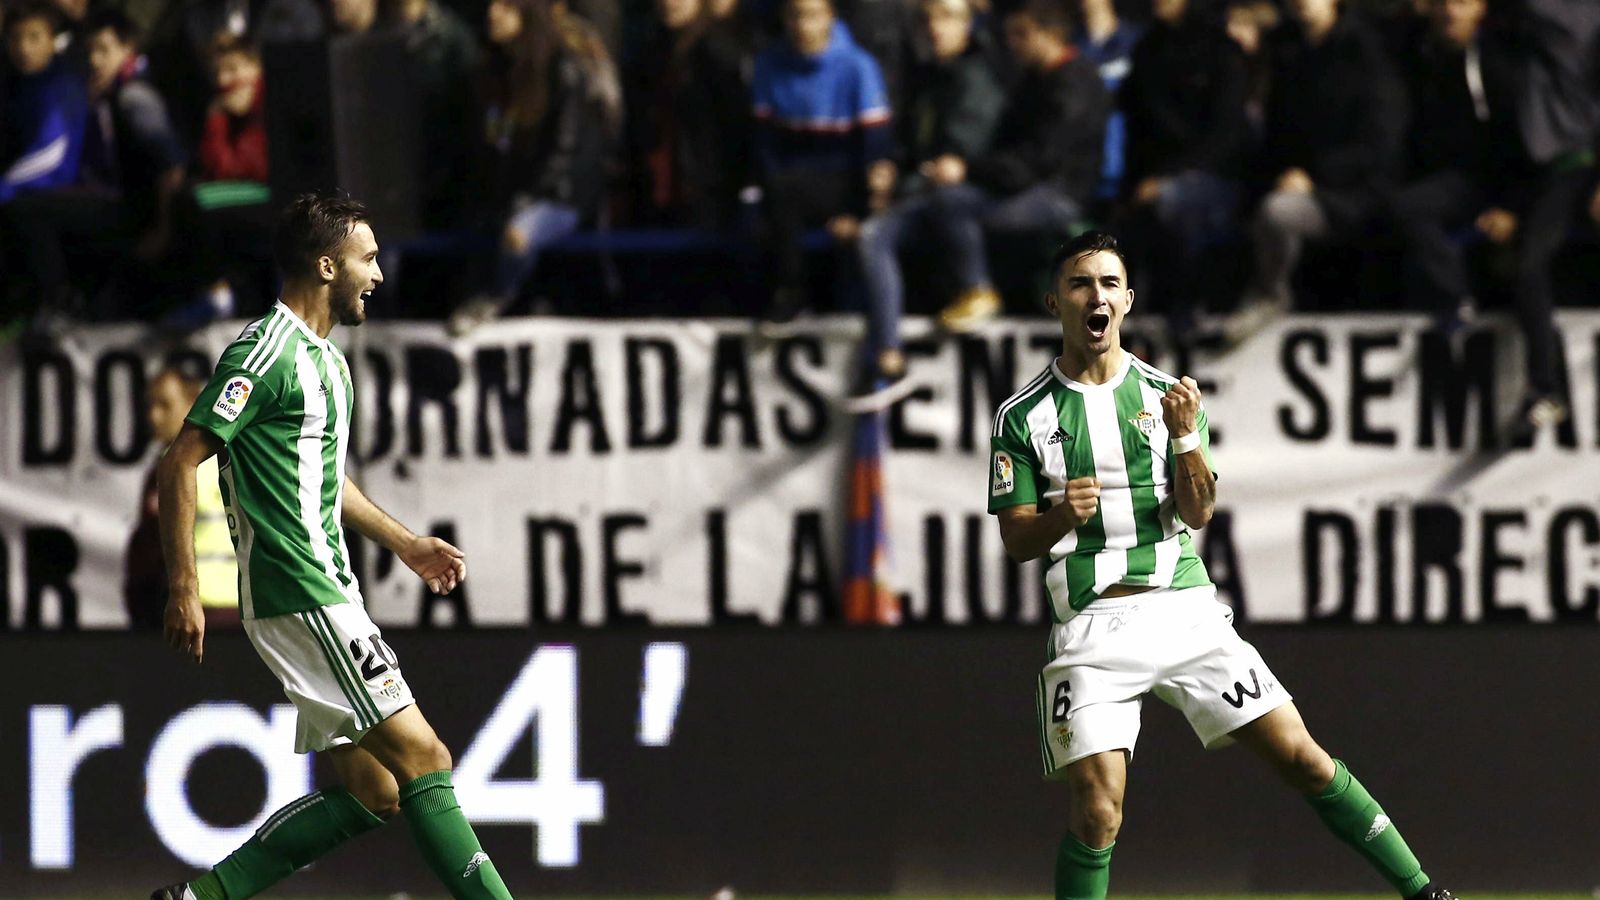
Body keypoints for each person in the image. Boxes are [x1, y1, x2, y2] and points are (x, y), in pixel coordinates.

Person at [987, 229, 1455, 900]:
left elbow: (1199, 510)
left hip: (1183, 611)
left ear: (1127, 300)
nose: (1097, 295)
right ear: (1055, 302)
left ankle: (1424, 893)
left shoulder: (1165, 397)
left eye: (1109, 283)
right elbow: (1017, 541)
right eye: (1081, 283)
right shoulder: (1022, 416)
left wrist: (1185, 439)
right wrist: (1063, 518)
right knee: (1097, 811)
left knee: (1304, 758)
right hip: (1092, 626)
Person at [151, 192, 514, 900]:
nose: (378, 274)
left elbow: (324, 478)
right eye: (367, 259)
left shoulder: (328, 364)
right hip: (301, 589)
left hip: (327, 588)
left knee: (373, 792)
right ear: (326, 266)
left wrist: (405, 542)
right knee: (424, 757)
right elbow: (180, 460)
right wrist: (185, 585)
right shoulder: (263, 353)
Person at [845, 0, 1003, 410]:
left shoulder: (978, 76)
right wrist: (889, 171)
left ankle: (977, 287)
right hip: (924, 196)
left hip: (972, 197)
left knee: (893, 224)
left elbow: (955, 158)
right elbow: (916, 149)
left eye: (948, 17)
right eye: (930, 17)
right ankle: (889, 358)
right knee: (871, 234)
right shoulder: (927, 76)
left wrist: (903, 183)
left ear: (969, 24)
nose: (936, 27)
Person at [915, 0, 1107, 333]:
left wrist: (968, 170)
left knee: (960, 207)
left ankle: (980, 291)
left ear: (1051, 34)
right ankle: (976, 289)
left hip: (1061, 195)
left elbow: (1039, 159)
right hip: (1026, 186)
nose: (1013, 43)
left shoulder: (1075, 83)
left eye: (1022, 34)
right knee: (949, 200)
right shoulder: (1032, 81)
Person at [447, 0, 620, 335]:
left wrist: (529, 195)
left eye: (508, 6)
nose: (493, 12)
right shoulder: (496, 69)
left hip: (561, 194)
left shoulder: (563, 66)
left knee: (518, 234)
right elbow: (495, 143)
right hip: (515, 192)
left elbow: (567, 150)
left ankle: (493, 299)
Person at [1233, 0, 1404, 335]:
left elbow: (1381, 143)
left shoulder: (1367, 52)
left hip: (1357, 190)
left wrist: (1314, 177)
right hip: (1299, 180)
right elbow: (1279, 136)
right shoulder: (1290, 53)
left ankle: (1271, 296)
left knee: (1277, 213)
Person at [750, 0, 891, 326]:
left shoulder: (858, 66)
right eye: (795, 16)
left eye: (813, 15)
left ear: (830, 17)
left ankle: (795, 292)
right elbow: (765, 142)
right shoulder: (769, 64)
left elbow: (875, 147)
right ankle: (788, 293)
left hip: (843, 180)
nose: (803, 25)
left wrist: (858, 210)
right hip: (788, 183)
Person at [1116, 0, 1249, 343]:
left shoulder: (1222, 52)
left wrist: (1170, 176)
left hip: (1215, 176)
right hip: (1152, 178)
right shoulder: (1147, 51)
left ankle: (1188, 310)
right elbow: (1137, 130)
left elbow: (1226, 135)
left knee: (1176, 201)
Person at [125, 365, 238, 630]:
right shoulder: (229, 455)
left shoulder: (174, 464)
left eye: (164, 405)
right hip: (241, 603)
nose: (153, 416)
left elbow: (150, 548)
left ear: (192, 404)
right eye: (150, 406)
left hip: (197, 607)